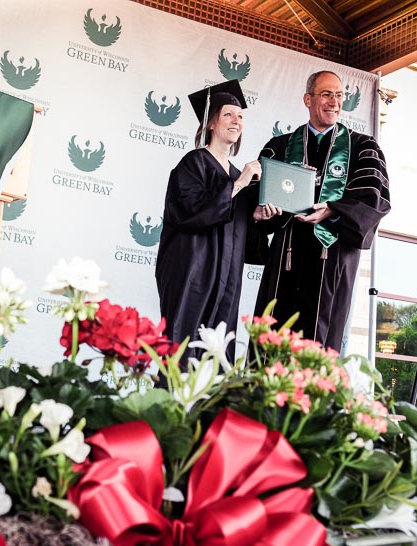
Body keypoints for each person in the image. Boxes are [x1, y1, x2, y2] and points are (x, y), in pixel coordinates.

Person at [251, 70, 391, 352]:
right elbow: (258, 203)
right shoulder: (279, 147)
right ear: (308, 99)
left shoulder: (362, 148)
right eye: (326, 94)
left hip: (331, 257)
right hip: (286, 261)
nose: (334, 102)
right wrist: (261, 213)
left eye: (339, 96)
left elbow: (374, 198)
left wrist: (333, 210)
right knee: (273, 341)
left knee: (320, 342)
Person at [155, 79, 276, 363]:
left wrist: (255, 217)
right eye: (228, 115)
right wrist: (238, 185)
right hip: (192, 273)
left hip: (227, 278)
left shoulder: (238, 175)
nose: (236, 121)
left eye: (241, 116)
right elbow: (188, 213)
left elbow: (242, 238)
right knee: (184, 345)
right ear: (211, 123)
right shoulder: (193, 164)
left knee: (219, 350)